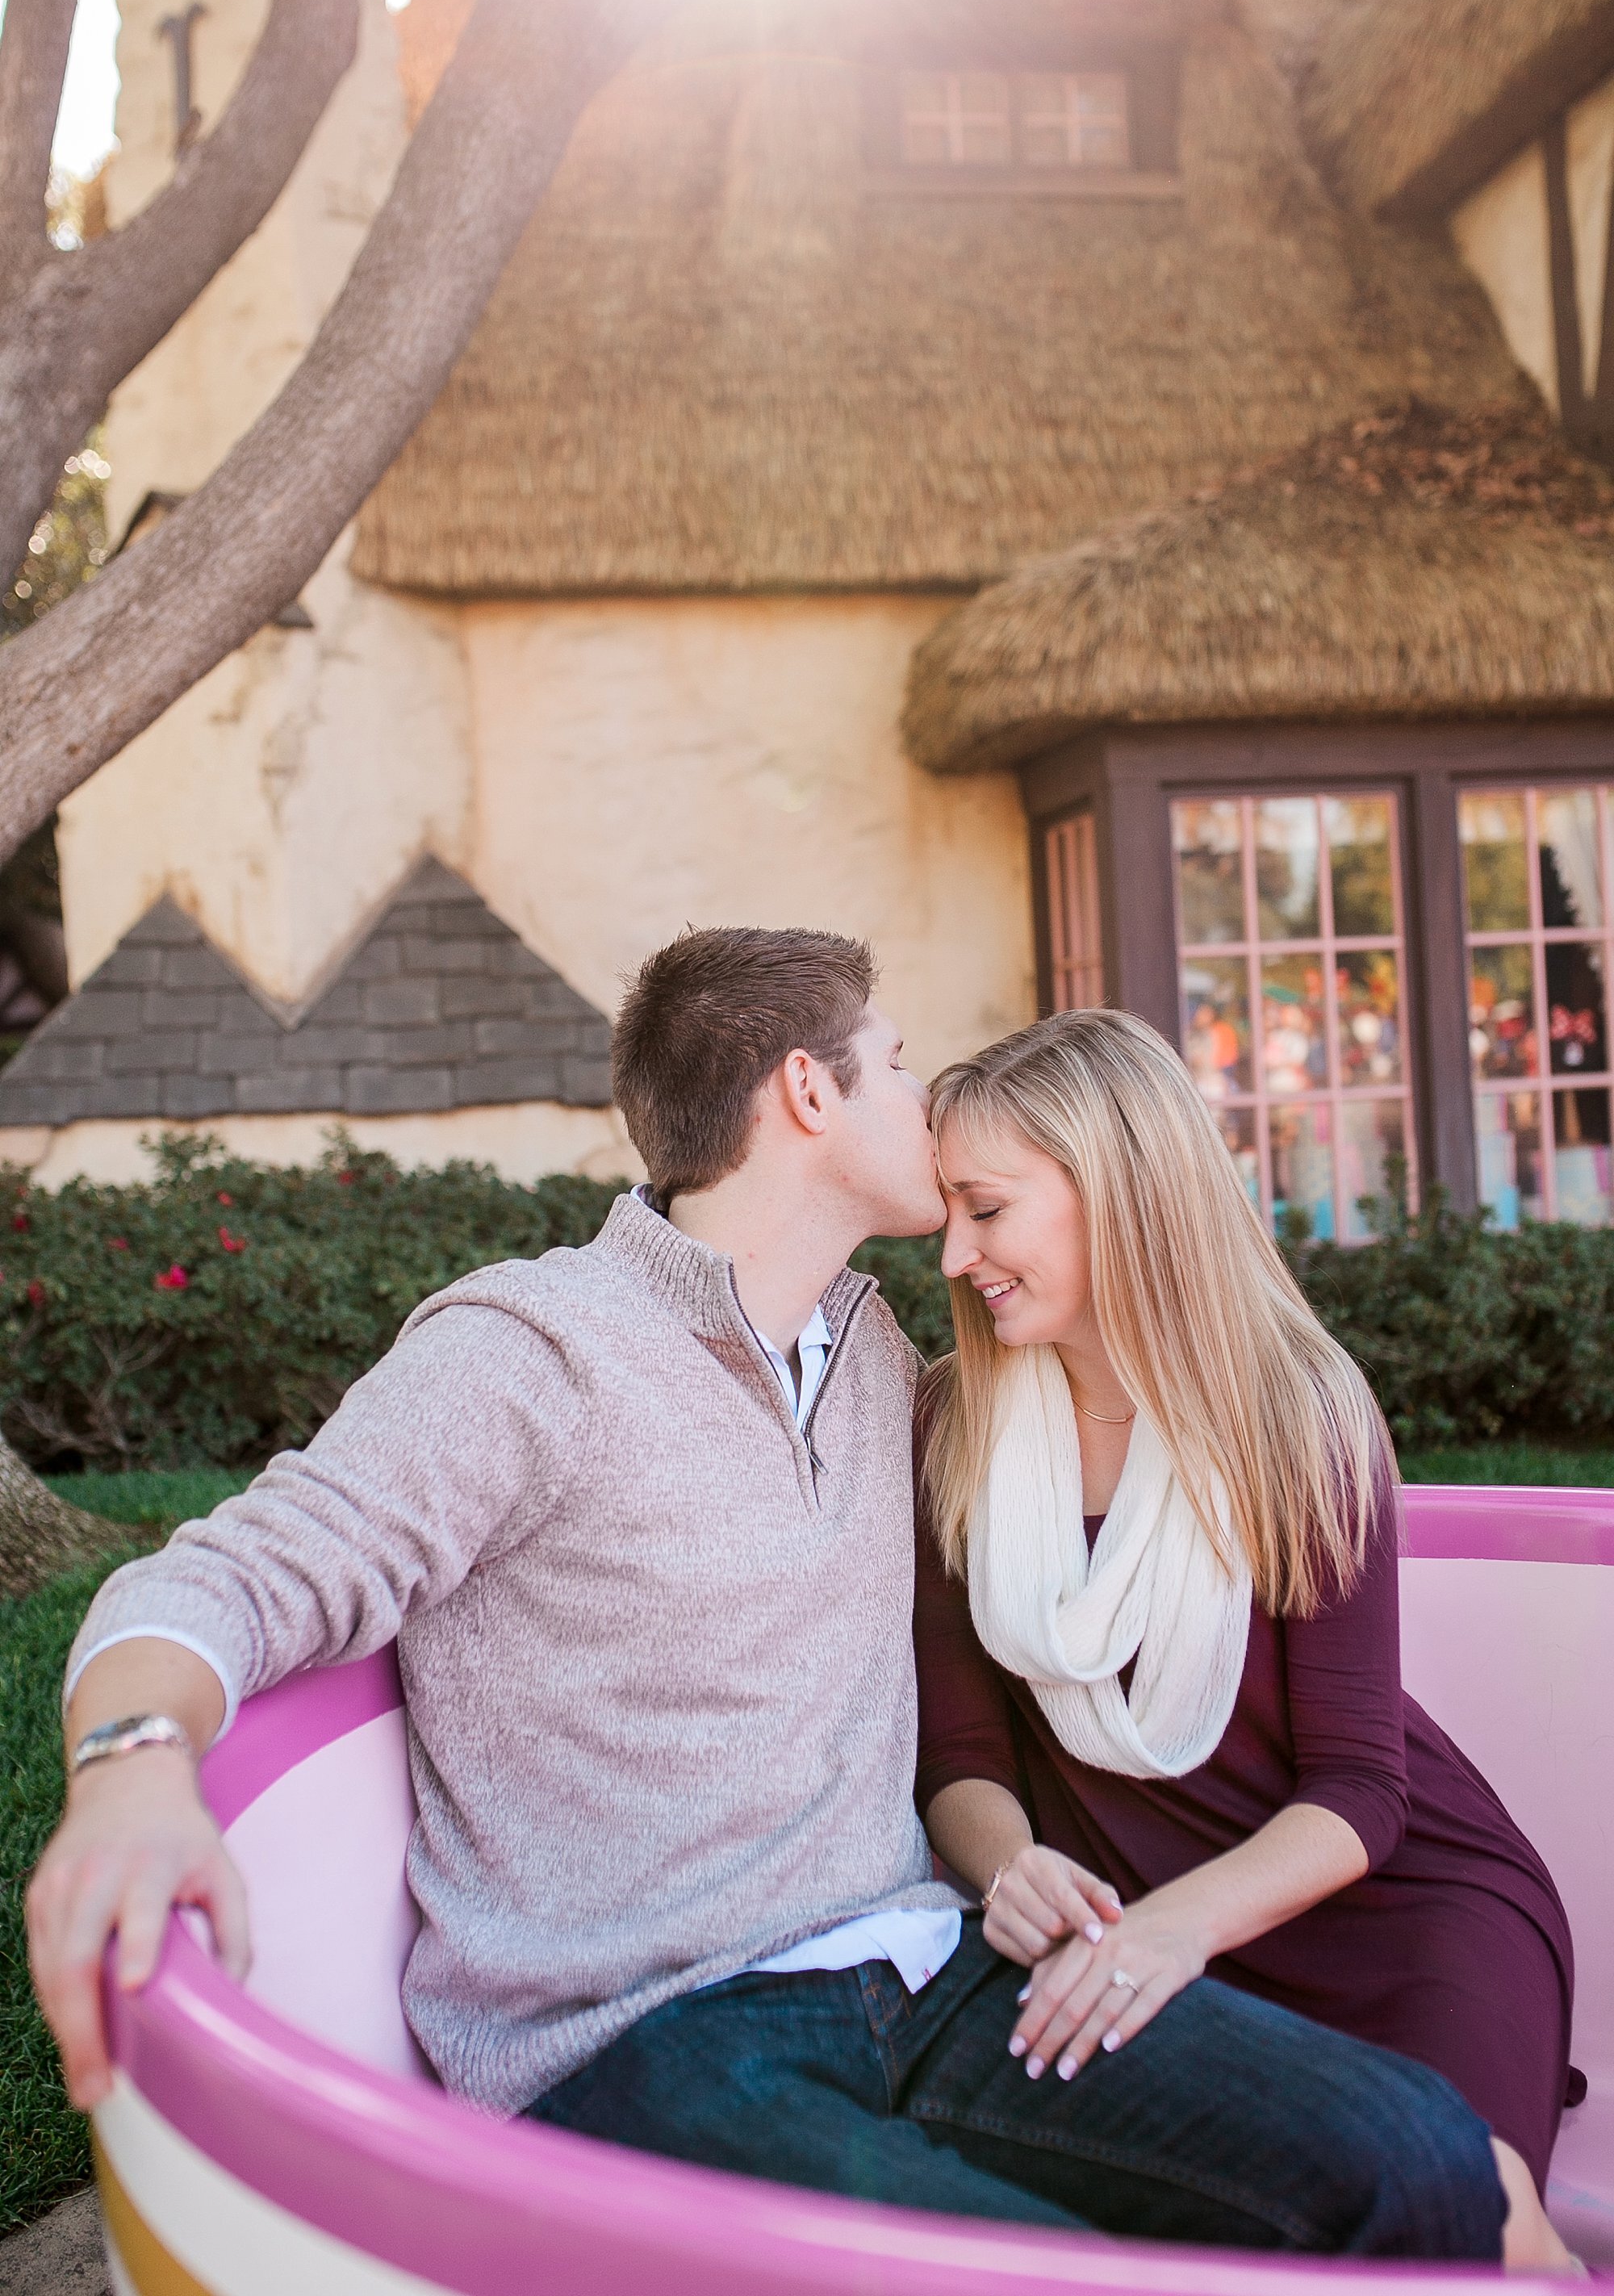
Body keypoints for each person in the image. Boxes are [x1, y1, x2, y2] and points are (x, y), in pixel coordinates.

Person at [30, 931, 1506, 2256]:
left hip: (931, 1969)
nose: (931, 1106)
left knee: (1418, 2160)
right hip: (647, 2034)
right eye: (906, 1066)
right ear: (811, 1090)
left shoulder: (898, 1382)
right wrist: (131, 1770)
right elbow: (231, 1574)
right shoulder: (529, 1355)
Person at [914, 1006, 1578, 2273]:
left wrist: (1173, 1932)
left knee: (1475, 2208)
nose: (955, 1253)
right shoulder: (958, 1420)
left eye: (987, 1210)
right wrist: (1013, 1876)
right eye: (949, 1210)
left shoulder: (1297, 1412)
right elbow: (960, 1753)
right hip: (1132, 1932)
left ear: (1118, 1190)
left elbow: (1362, 1791)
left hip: (1393, 1912)